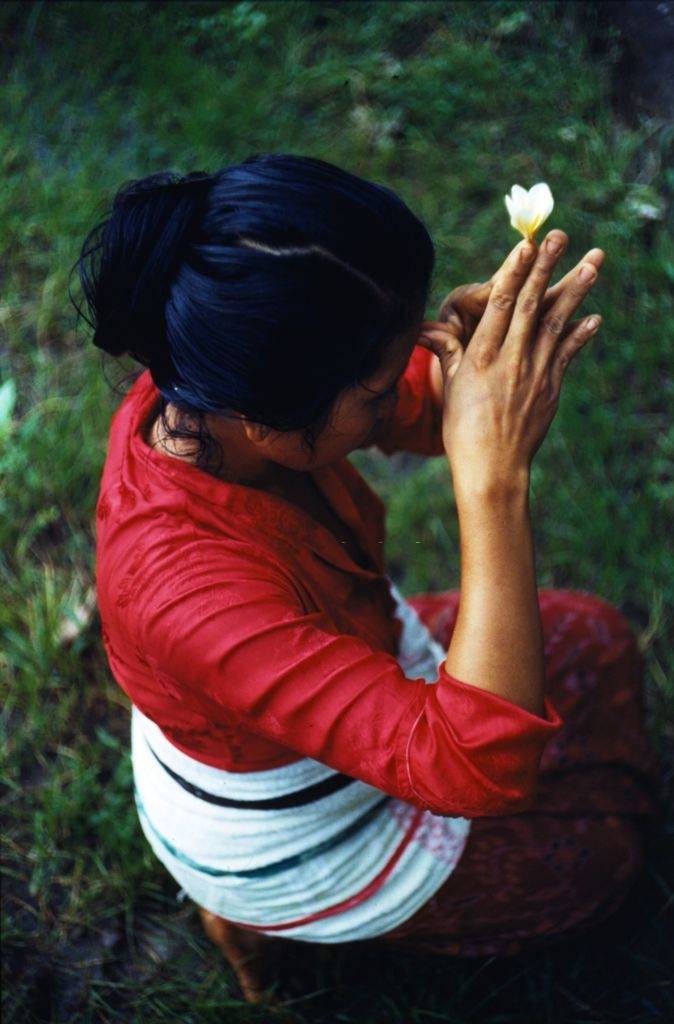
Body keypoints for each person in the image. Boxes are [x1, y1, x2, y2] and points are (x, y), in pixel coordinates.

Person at [74, 154, 662, 1003]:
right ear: (265, 417)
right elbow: (476, 771)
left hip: (324, 666)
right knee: (606, 856)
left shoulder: (200, 385)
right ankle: (248, 917)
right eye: (384, 386)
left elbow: (401, 411)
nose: (410, 386)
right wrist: (492, 483)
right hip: (292, 834)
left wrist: (456, 367)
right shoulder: (185, 593)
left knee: (598, 641)